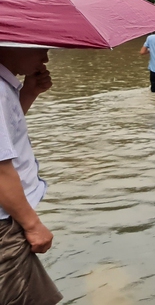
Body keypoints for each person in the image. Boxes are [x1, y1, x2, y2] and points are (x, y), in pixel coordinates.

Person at [0, 47, 63, 305]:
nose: (45, 59)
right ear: (10, 45)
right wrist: (32, 225)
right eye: (40, 49)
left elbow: (7, 135)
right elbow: (0, 168)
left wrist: (28, 93)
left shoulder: (6, 89)